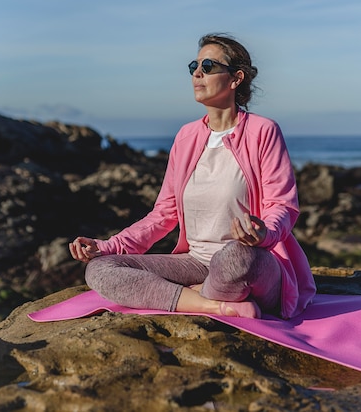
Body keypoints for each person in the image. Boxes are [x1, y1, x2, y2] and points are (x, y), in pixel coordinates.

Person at [70, 33, 316, 319]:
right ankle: (210, 303)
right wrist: (107, 246)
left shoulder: (263, 131)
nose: (197, 74)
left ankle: (193, 295)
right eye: (194, 67)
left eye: (208, 66)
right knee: (101, 269)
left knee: (236, 258)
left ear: (236, 78)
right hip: (195, 263)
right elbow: (163, 213)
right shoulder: (186, 136)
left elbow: (282, 205)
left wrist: (264, 233)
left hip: (252, 260)